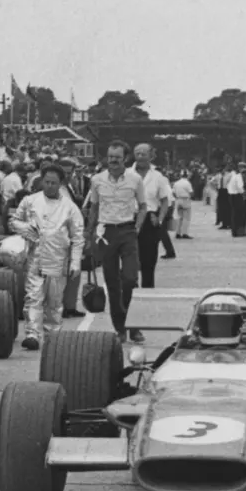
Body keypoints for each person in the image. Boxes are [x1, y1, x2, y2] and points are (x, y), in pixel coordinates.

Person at [9, 164, 84, 351]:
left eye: (54, 183)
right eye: (47, 182)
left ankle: (54, 335)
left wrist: (75, 262)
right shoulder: (30, 201)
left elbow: (78, 237)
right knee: (33, 296)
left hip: (59, 259)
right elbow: (14, 221)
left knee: (54, 301)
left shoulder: (70, 207)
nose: (49, 186)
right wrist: (27, 229)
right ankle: (32, 334)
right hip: (36, 257)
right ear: (41, 181)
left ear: (61, 184)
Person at [84, 140, 147, 344]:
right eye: (110, 157)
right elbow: (93, 209)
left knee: (130, 280)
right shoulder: (97, 180)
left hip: (127, 231)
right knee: (112, 283)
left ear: (125, 159)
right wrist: (89, 235)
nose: (113, 161)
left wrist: (136, 228)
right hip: (105, 233)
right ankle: (120, 328)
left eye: (117, 158)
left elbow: (143, 206)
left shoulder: (135, 179)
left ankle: (134, 325)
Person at [132, 144, 171, 288]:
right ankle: (131, 287)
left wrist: (159, 218)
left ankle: (148, 289)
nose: (140, 157)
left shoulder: (157, 176)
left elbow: (165, 200)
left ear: (151, 156)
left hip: (150, 219)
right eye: (137, 154)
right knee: (131, 257)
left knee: (149, 258)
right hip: (130, 218)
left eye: (144, 154)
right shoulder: (127, 174)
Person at [227, 162, 246, 237]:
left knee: (234, 214)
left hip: (231, 196)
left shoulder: (234, 176)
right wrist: (244, 193)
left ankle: (235, 231)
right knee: (239, 215)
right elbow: (240, 187)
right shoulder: (238, 177)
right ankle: (239, 232)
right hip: (237, 196)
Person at [172, 171, 194, 239]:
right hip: (185, 200)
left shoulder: (176, 183)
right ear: (187, 175)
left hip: (178, 200)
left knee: (179, 217)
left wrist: (178, 198)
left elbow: (173, 193)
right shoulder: (187, 183)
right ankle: (185, 233)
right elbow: (191, 192)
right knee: (186, 218)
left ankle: (178, 233)